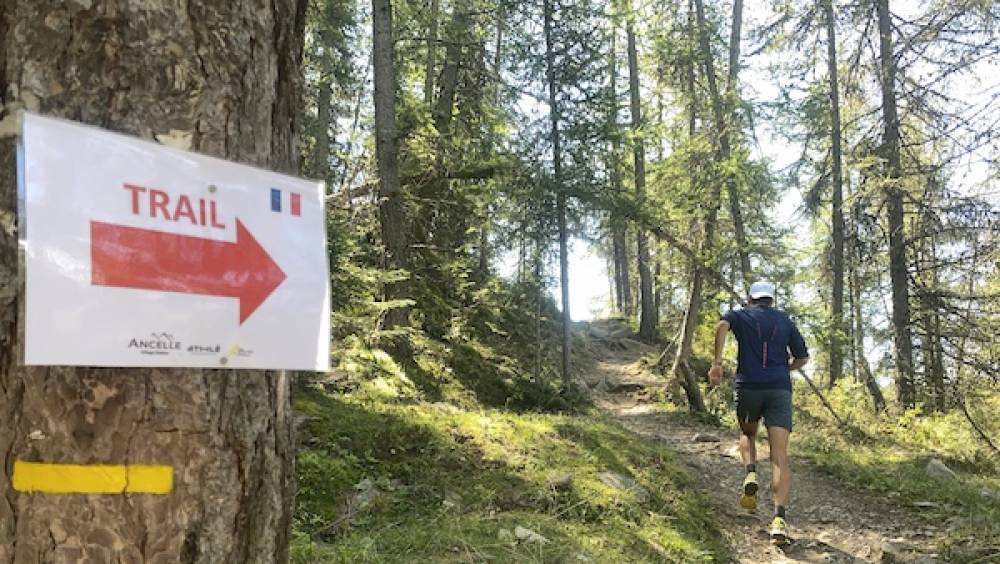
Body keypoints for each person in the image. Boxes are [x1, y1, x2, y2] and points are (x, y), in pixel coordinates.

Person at [707, 280, 809, 546]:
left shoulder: (740, 315)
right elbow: (802, 358)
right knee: (780, 457)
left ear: (750, 298)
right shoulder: (785, 321)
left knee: (747, 434)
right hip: (779, 390)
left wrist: (717, 364)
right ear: (771, 300)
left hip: (749, 386)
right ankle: (779, 520)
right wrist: (784, 369)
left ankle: (750, 471)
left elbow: (720, 326)